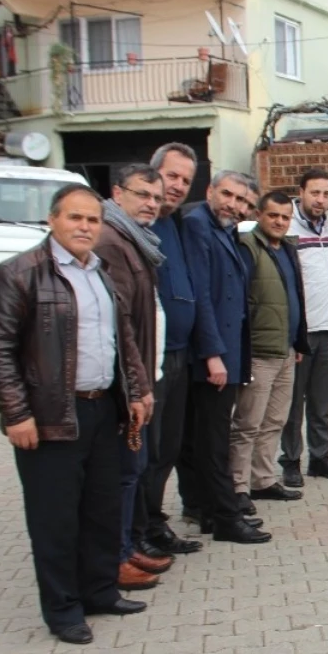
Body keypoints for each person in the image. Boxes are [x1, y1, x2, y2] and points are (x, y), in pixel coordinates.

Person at [0, 184, 149, 645]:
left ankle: (99, 591)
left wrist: (135, 391)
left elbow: (123, 340)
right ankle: (62, 609)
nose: (85, 227)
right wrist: (15, 414)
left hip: (102, 410)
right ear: (52, 220)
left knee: (101, 510)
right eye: (75, 218)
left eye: (93, 220)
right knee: (54, 520)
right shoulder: (19, 274)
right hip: (50, 417)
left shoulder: (101, 272)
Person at [183, 170, 270, 543]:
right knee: (213, 439)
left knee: (207, 437)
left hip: (230, 352)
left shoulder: (225, 230)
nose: (236, 206)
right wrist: (214, 354)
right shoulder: (197, 226)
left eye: (244, 203)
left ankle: (206, 507)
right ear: (210, 191)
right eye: (230, 196)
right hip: (214, 356)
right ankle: (224, 517)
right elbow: (201, 295)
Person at [94, 164, 169, 590]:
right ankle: (116, 557)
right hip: (125, 384)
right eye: (143, 194)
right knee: (124, 473)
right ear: (117, 193)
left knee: (133, 469)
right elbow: (119, 324)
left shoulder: (135, 240)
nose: (152, 203)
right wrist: (136, 386)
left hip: (142, 376)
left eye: (155, 198)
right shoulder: (110, 240)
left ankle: (126, 547)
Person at [230, 191, 309, 516]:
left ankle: (262, 479)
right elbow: (242, 303)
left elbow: (296, 298)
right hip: (259, 352)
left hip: (286, 350)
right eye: (273, 215)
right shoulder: (248, 248)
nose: (279, 221)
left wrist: (298, 343)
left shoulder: (288, 249)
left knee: (275, 419)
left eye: (285, 217)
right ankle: (237, 486)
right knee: (248, 422)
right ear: (260, 215)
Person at [143, 143, 203, 555]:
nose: (178, 186)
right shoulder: (137, 226)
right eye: (171, 176)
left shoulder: (177, 223)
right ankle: (138, 533)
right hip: (152, 359)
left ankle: (154, 523)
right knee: (146, 451)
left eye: (185, 179)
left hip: (181, 353)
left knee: (168, 448)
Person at [280, 169, 328, 484]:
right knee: (294, 402)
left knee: (321, 401)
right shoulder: (288, 228)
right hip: (300, 333)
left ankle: (320, 458)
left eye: (326, 194)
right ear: (301, 192)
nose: (320, 200)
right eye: (315, 193)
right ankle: (291, 460)